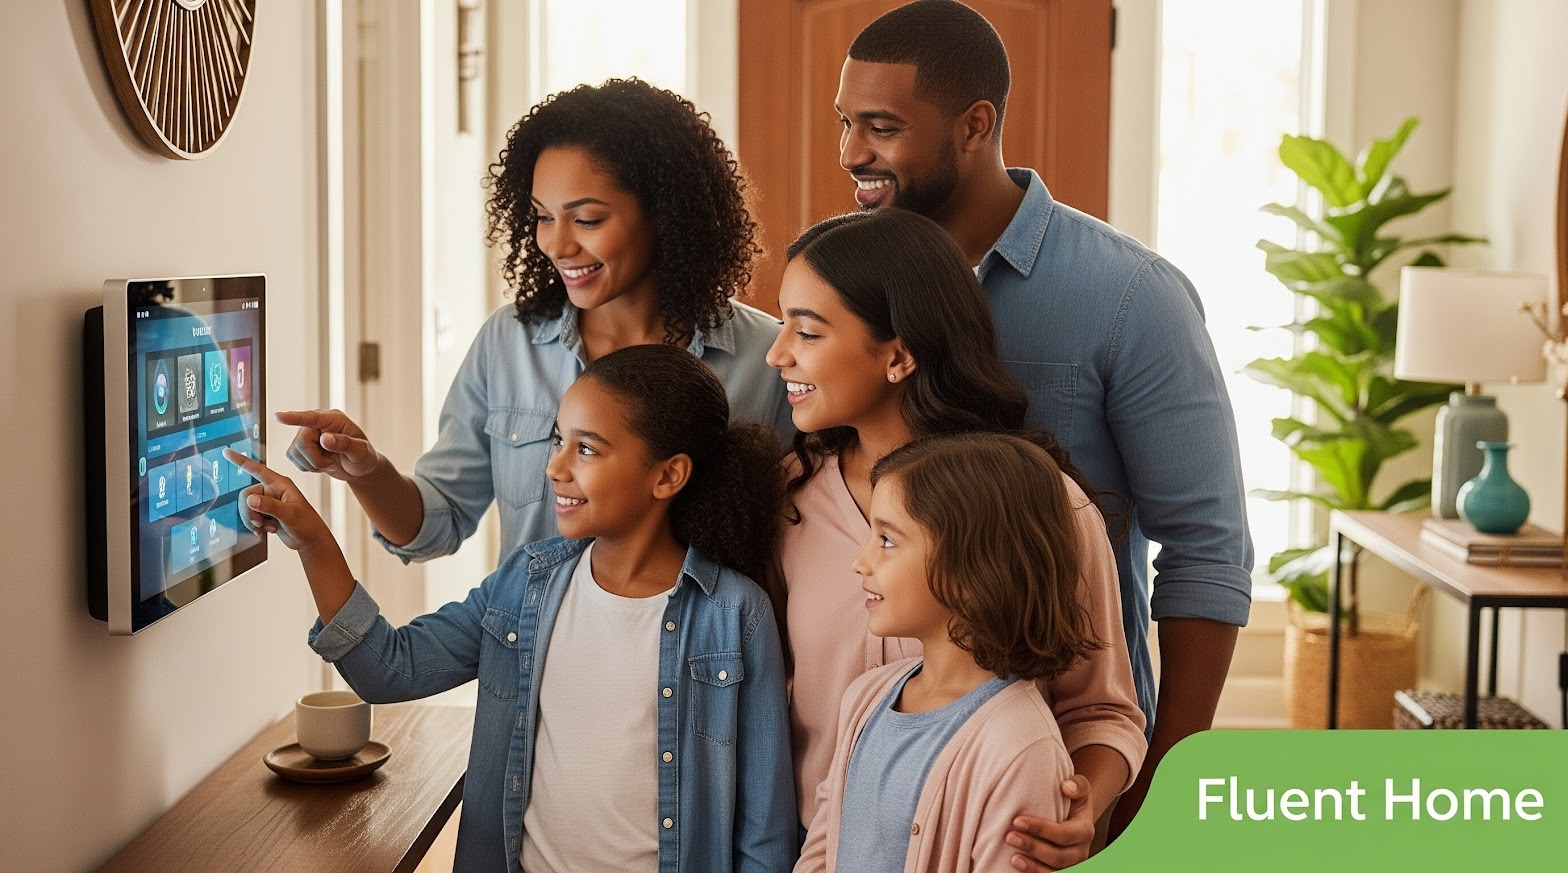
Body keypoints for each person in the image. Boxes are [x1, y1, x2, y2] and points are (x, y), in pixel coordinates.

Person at [836, 0, 1254, 844]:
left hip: (1060, 773)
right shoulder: (845, 278)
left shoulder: (1132, 298)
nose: (851, 153)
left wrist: (1158, 790)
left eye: (881, 127)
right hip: (868, 762)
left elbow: (1206, 552)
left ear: (974, 125)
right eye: (845, 123)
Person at [228, 344, 798, 872]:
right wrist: (312, 541)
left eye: (586, 448)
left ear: (668, 475)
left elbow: (764, 834)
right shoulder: (527, 584)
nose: (555, 467)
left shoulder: (735, 615)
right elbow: (390, 668)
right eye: (557, 440)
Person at [277, 77, 790, 566]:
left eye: (587, 220)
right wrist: (366, 472)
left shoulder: (768, 358)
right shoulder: (509, 343)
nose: (557, 245)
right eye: (543, 216)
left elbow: (792, 543)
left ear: (666, 213)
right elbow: (436, 523)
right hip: (529, 635)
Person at [768, 209, 1144, 870]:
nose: (777, 354)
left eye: (807, 330)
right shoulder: (787, 500)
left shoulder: (1041, 503)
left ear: (898, 355)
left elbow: (1104, 711)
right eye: (781, 325)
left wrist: (1081, 806)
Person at [797, 433, 1098, 873]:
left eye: (887, 540)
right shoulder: (864, 698)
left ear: (976, 568)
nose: (860, 561)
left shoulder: (1019, 747)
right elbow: (821, 851)